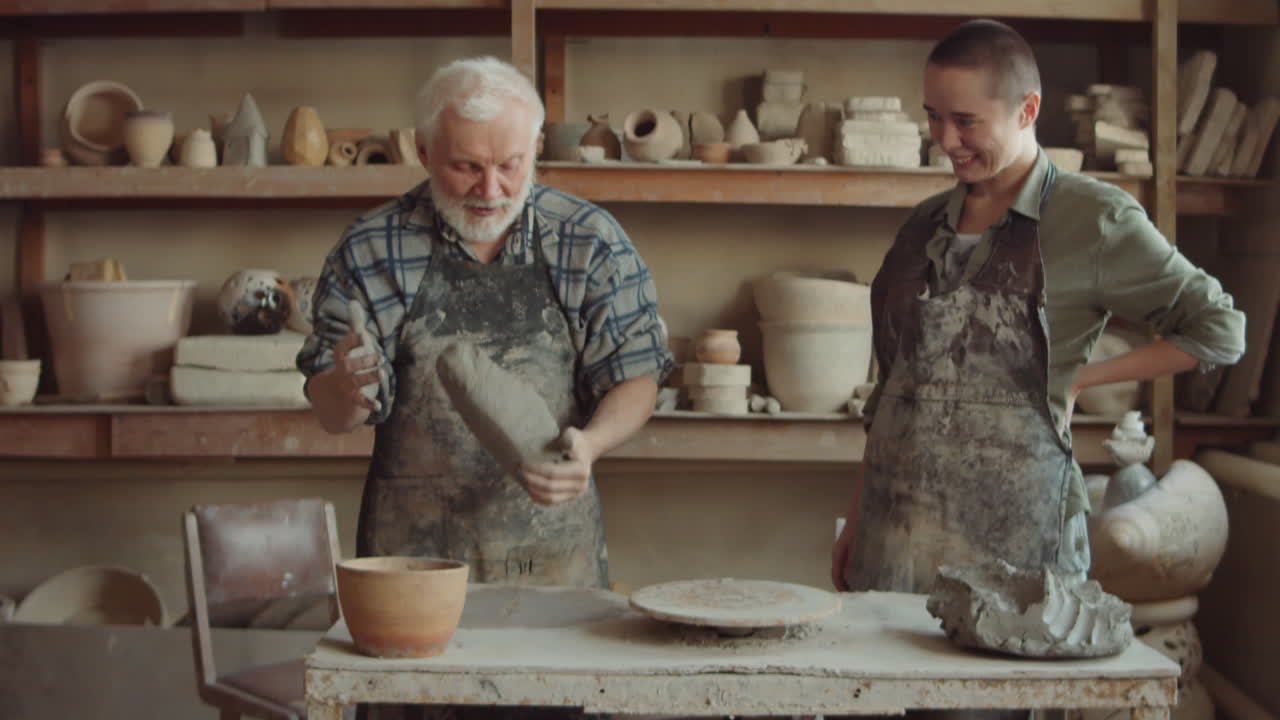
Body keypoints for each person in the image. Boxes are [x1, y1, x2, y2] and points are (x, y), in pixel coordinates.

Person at [831, 19, 1246, 595]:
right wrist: (859, 519)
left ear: (1027, 110)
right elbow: (890, 397)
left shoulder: (1093, 219)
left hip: (1021, 545)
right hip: (897, 537)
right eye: (934, 117)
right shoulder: (922, 226)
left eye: (966, 121)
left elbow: (1218, 330)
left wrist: (1079, 380)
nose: (945, 140)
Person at [298, 56, 671, 594]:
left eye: (510, 165)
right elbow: (333, 413)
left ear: (536, 148)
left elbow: (636, 374)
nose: (490, 189)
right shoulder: (373, 248)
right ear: (423, 152)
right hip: (412, 563)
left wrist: (590, 445)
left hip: (551, 559)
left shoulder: (588, 241)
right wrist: (347, 388)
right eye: (466, 167)